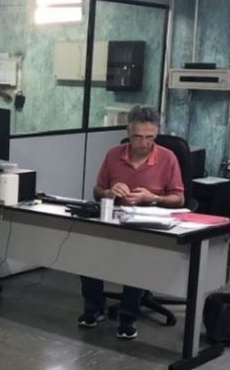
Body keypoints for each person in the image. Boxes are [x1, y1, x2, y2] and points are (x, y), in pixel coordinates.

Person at [79, 105, 184, 340]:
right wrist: (109, 192)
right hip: (115, 220)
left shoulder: (167, 158)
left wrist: (153, 198)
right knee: (87, 254)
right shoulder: (113, 155)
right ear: (128, 132)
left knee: (137, 258)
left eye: (150, 138)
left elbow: (179, 199)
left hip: (149, 224)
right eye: (138, 137)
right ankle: (94, 309)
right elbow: (97, 191)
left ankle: (128, 317)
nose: (144, 143)